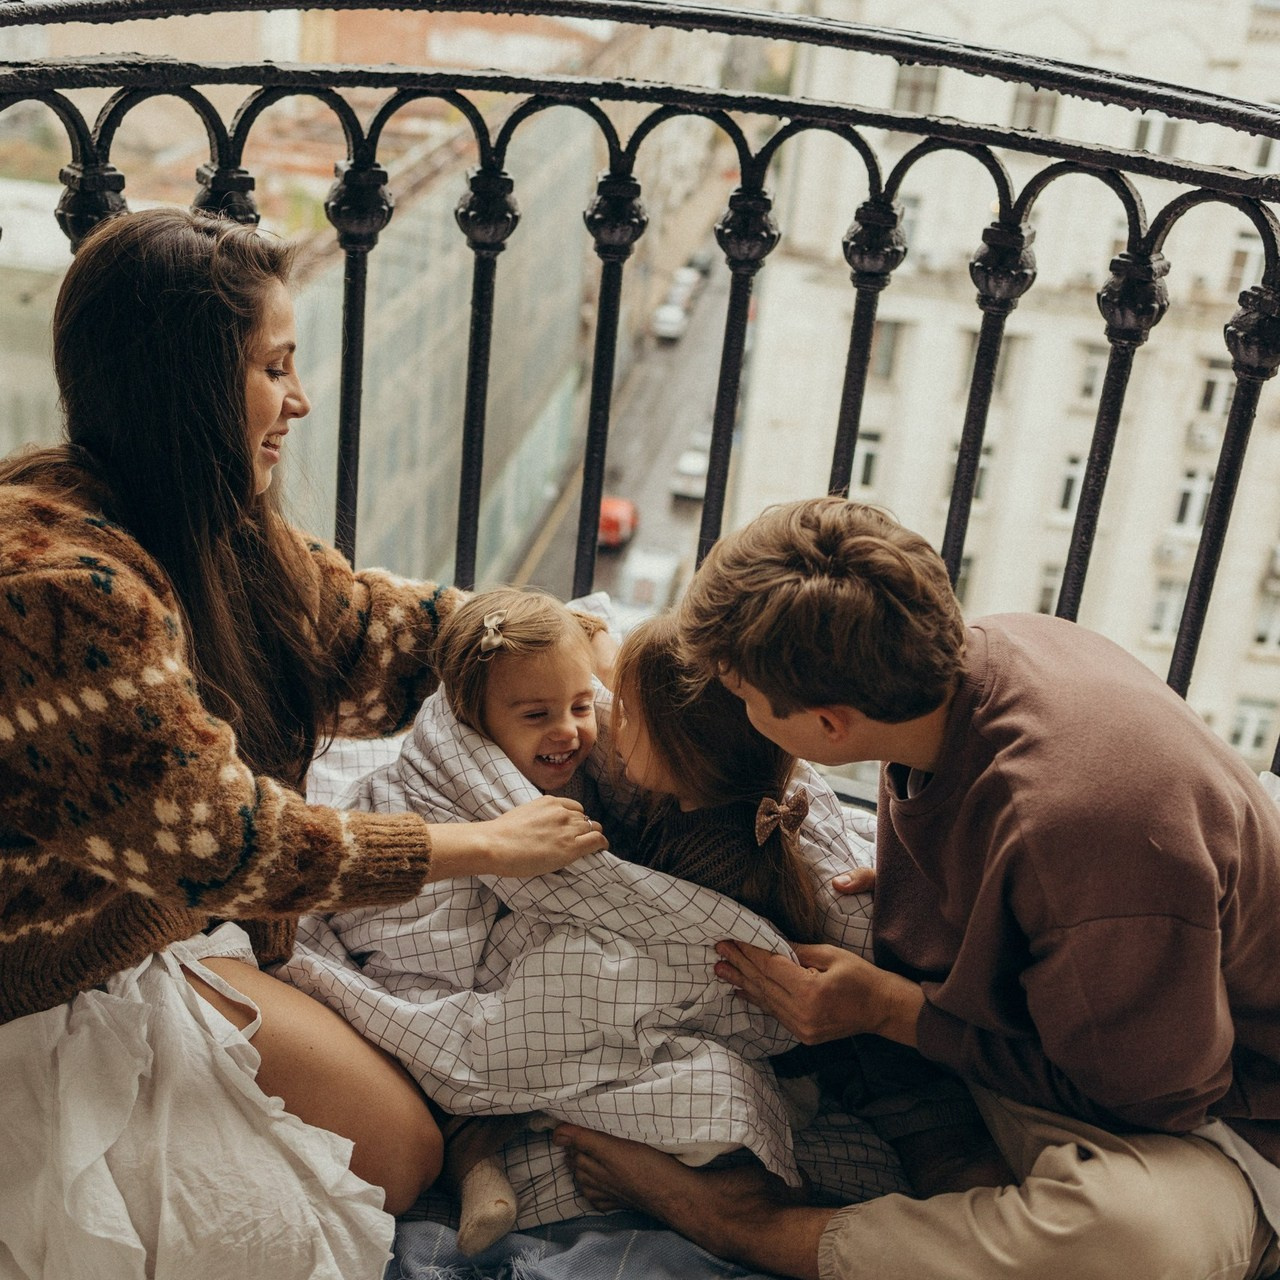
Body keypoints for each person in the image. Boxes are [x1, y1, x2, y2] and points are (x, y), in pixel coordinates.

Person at [0, 207, 608, 1280]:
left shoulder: (201, 518)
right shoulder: (59, 593)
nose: (300, 398)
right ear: (182, 385)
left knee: (398, 1143)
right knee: (352, 1185)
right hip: (38, 987)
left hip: (139, 926)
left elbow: (377, 632)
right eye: (273, 366)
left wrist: (564, 640)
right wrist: (485, 845)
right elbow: (235, 847)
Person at [554, 495, 1280, 1280]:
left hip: (1228, 1116)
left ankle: (745, 1226)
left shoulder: (1067, 834)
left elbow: (1156, 1098)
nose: (737, 713)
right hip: (1115, 1006)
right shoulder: (995, 650)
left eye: (746, 700)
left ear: (830, 725)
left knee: (1118, 1244)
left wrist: (898, 1014)